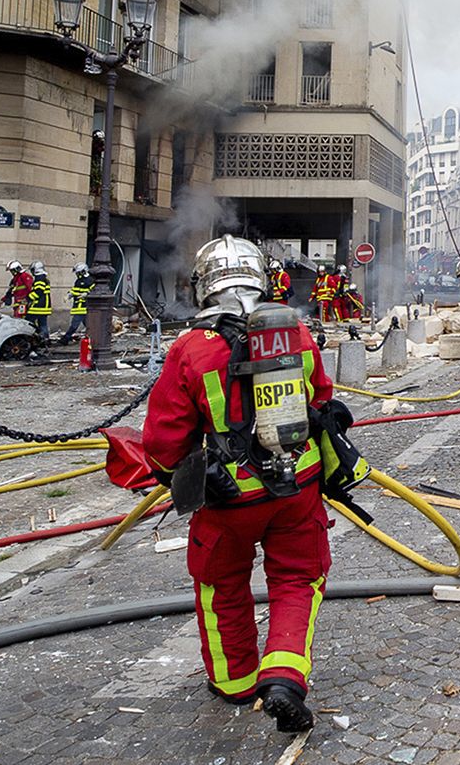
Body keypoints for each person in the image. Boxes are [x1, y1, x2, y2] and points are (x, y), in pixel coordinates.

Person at [140, 234, 335, 735]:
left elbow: (162, 439)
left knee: (220, 584)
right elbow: (321, 398)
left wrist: (179, 474)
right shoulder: (295, 333)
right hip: (297, 486)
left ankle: (236, 679)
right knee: (298, 579)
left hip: (226, 496)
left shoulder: (189, 348)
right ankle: (285, 675)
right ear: (261, 278)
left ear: (204, 284)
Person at [59, 263, 93, 344]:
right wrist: (68, 295)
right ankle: (94, 338)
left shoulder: (90, 280)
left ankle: (65, 339)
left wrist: (86, 294)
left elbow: (94, 290)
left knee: (74, 325)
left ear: (83, 271)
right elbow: (74, 290)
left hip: (84, 306)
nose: (77, 274)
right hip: (78, 307)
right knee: (88, 325)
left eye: (78, 273)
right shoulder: (78, 281)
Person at [27, 262, 53, 342]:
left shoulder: (39, 279)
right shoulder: (43, 278)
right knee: (43, 324)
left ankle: (33, 337)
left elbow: (38, 292)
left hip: (39, 306)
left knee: (28, 321)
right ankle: (45, 339)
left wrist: (28, 298)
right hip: (44, 306)